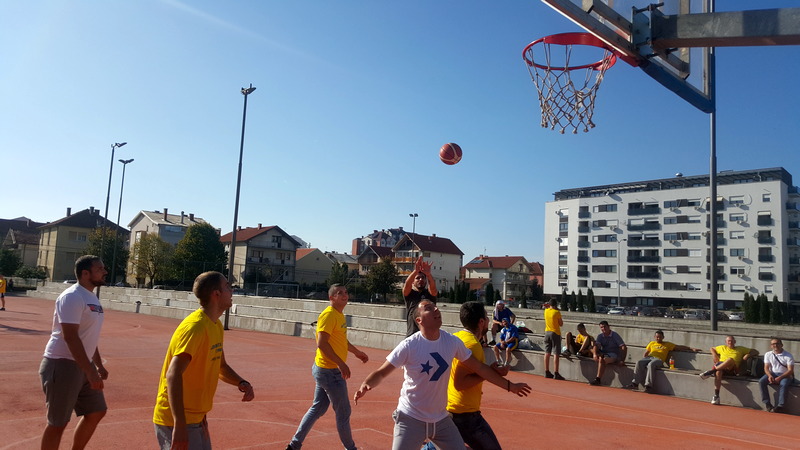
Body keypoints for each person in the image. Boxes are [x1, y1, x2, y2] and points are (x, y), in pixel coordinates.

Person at [353, 299, 531, 450]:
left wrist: (510, 386)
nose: (436, 309)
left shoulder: (452, 342)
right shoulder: (409, 346)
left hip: (441, 420)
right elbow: (382, 372)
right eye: (429, 308)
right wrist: (366, 384)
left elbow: (480, 369)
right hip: (411, 417)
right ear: (419, 320)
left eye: (435, 306)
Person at [153, 271, 255, 449]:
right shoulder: (196, 328)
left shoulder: (215, 325)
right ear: (216, 294)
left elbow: (220, 366)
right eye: (227, 287)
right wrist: (179, 424)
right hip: (176, 419)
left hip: (196, 419)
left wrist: (241, 382)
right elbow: (173, 374)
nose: (232, 291)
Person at [287, 284, 369, 450]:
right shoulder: (329, 315)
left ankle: (294, 445)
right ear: (331, 298)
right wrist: (341, 363)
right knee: (343, 413)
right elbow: (322, 344)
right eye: (340, 293)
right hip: (330, 372)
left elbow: (340, 341)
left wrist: (356, 352)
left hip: (325, 370)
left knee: (318, 408)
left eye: (346, 292)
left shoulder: (339, 315)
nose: (345, 295)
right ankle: (351, 448)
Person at [39, 255, 109, 450]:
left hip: (83, 364)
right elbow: (71, 336)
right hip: (62, 364)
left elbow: (88, 335)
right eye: (100, 268)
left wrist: (98, 365)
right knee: (58, 423)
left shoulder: (91, 297)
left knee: (97, 411)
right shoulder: (72, 296)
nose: (105, 271)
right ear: (85, 273)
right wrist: (90, 370)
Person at [446, 301, 508, 450]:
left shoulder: (457, 337)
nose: (488, 320)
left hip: (453, 410)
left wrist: (488, 371)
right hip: (465, 415)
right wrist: (488, 373)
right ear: (481, 322)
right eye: (486, 317)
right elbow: (460, 383)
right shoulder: (473, 345)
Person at [625, 330, 700, 392]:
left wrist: (690, 348)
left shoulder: (667, 344)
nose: (658, 338)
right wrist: (645, 357)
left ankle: (648, 386)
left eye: (660, 337)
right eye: (657, 337)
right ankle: (635, 384)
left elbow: (679, 347)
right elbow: (646, 353)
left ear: (663, 337)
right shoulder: (652, 343)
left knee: (651, 365)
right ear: (654, 337)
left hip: (659, 359)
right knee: (639, 362)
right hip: (650, 357)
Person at [699, 335, 758, 405]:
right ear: (726, 342)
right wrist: (714, 355)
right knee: (718, 372)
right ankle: (716, 396)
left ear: (735, 342)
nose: (730, 342)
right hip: (721, 367)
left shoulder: (740, 349)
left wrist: (748, 355)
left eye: (732, 341)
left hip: (733, 369)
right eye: (729, 341)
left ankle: (711, 372)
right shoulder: (722, 347)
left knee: (730, 359)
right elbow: (712, 348)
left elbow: (756, 351)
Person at [403, 256, 438, 337]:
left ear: (426, 281)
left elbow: (433, 288)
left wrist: (428, 274)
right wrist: (415, 271)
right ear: (413, 282)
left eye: (423, 278)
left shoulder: (429, 295)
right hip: (412, 335)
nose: (421, 280)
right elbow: (407, 285)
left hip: (428, 336)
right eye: (417, 278)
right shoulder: (410, 294)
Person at [759, 338, 794, 413]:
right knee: (761, 381)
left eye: (777, 343)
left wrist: (780, 377)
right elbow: (766, 367)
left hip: (785, 375)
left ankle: (780, 406)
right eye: (773, 344)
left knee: (783, 384)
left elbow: (790, 370)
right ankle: (767, 403)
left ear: (781, 345)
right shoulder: (768, 354)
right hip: (773, 373)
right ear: (771, 346)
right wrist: (769, 375)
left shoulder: (788, 355)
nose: (775, 345)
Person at [589, 320, 627, 386]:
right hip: (604, 354)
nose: (603, 329)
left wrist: (622, 360)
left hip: (613, 355)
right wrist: (594, 354)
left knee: (602, 359)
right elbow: (596, 346)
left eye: (604, 327)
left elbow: (623, 347)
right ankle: (598, 378)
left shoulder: (615, 335)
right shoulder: (600, 336)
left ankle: (598, 379)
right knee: (591, 348)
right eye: (601, 327)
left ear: (608, 326)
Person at [543, 302, 565, 380]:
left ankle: (546, 371)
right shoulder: (557, 312)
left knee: (547, 352)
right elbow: (561, 324)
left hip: (547, 332)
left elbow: (546, 307)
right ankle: (556, 372)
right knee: (556, 353)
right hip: (555, 332)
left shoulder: (546, 311)